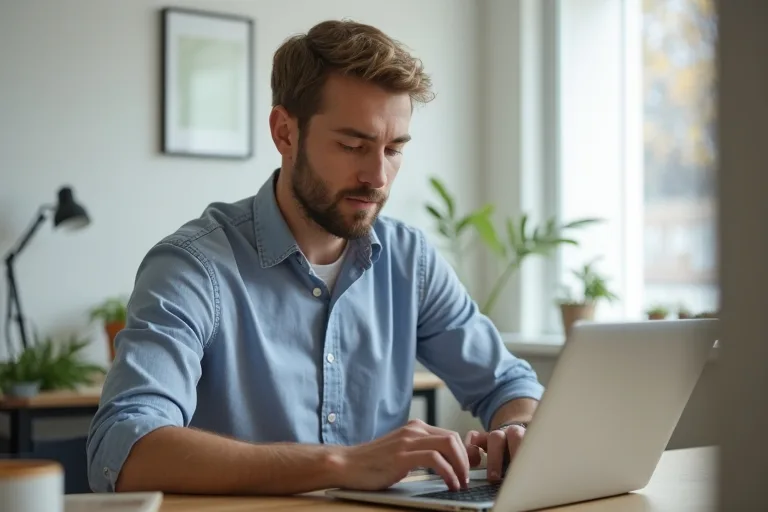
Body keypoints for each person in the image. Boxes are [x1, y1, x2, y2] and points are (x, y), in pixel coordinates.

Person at [86, 19, 544, 495]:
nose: (378, 176)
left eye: (393, 149)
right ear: (285, 133)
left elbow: (509, 384)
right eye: (352, 145)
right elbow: (124, 449)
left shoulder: (410, 261)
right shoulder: (193, 267)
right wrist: (340, 464)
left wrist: (517, 429)